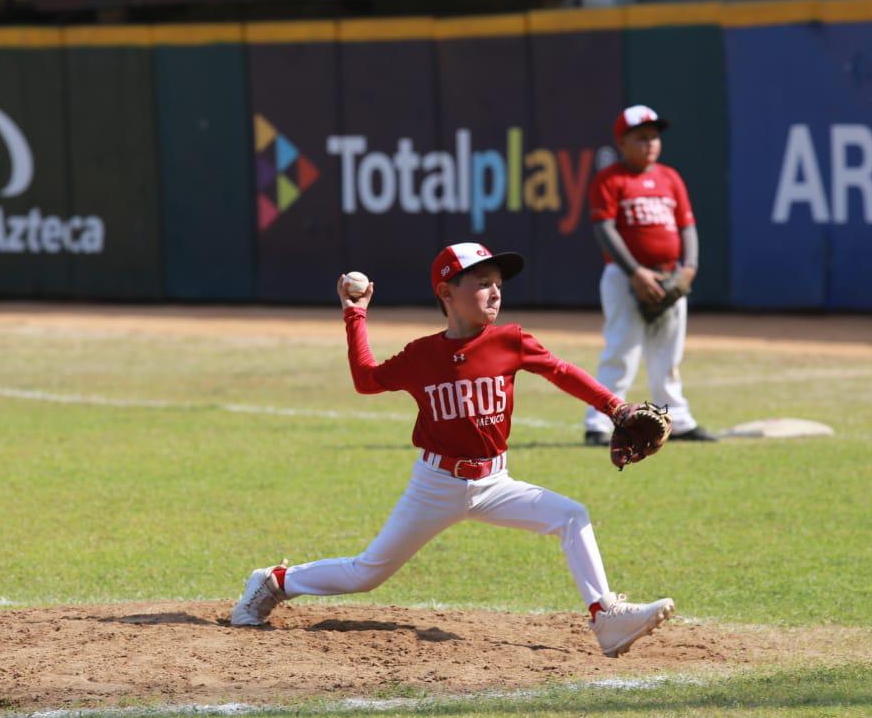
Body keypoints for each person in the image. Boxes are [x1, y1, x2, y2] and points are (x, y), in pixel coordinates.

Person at [231, 242, 675, 658]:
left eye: (498, 282)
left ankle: (607, 619)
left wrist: (615, 408)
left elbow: (561, 372)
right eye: (481, 283)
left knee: (570, 515)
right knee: (368, 572)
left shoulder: (511, 340)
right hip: (436, 484)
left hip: (495, 481)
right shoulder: (422, 355)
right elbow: (366, 380)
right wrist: (355, 314)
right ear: (446, 292)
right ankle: (274, 582)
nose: (494, 291)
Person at [583, 105, 716, 446]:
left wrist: (690, 268)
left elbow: (687, 225)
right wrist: (635, 272)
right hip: (623, 277)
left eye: (654, 137)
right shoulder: (610, 179)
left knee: (668, 355)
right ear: (622, 142)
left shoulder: (670, 177)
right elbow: (605, 230)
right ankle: (599, 423)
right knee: (621, 350)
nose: (650, 144)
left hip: (670, 275)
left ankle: (676, 420)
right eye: (640, 138)